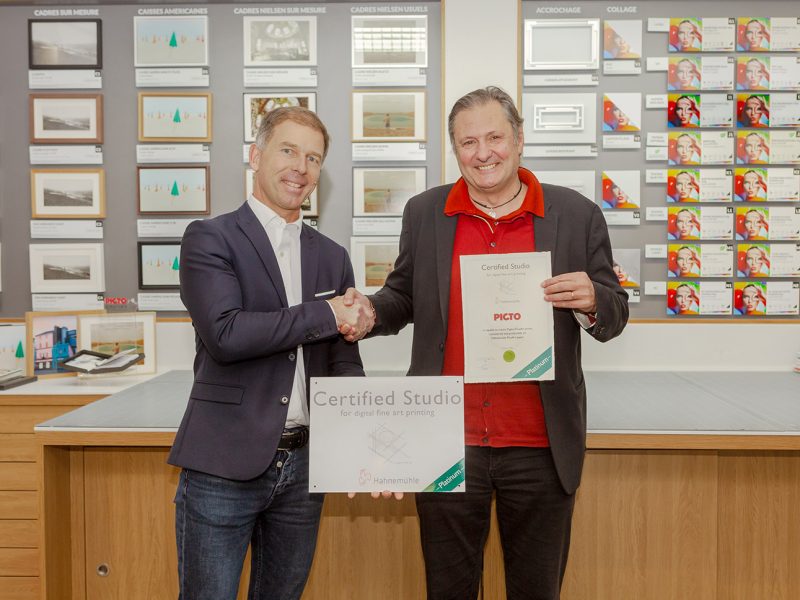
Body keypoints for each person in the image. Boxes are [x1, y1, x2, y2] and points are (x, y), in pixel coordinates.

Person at [341, 86, 629, 600]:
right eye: (468, 142)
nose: (483, 153)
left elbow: (615, 311)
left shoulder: (575, 213)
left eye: (494, 138)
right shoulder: (425, 213)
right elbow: (403, 296)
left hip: (540, 443)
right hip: (445, 438)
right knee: (448, 590)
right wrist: (369, 313)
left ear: (518, 140)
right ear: (455, 149)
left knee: (536, 591)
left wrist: (592, 301)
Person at [168, 107, 371, 600]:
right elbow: (227, 334)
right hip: (223, 465)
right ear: (256, 156)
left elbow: (342, 363)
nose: (301, 167)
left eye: (313, 157)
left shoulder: (332, 255)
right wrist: (327, 313)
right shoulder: (210, 238)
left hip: (304, 468)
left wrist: (363, 450)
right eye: (288, 151)